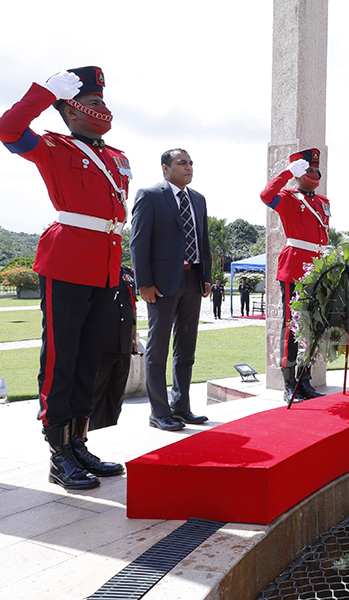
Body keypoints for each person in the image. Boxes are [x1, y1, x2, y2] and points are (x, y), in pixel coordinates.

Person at [0, 66, 128, 489]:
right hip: (67, 263)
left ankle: (79, 444)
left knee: (89, 360)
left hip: (104, 267)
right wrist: (43, 92)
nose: (102, 109)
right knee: (61, 361)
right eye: (93, 103)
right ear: (70, 112)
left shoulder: (114, 157)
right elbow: (8, 129)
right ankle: (59, 455)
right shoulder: (53, 147)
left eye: (103, 102)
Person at [130, 149, 212, 431]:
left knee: (186, 349)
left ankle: (181, 407)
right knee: (158, 349)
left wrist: (207, 277)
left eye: (191, 163)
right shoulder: (150, 196)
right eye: (182, 163)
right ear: (166, 168)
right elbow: (138, 243)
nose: (189, 167)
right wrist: (144, 283)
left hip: (193, 282)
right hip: (161, 286)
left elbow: (204, 241)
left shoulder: (198, 199)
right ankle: (159, 412)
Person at [259, 147, 329, 401]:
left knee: (313, 327)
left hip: (318, 272)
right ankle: (289, 384)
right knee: (292, 325)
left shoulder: (323, 202)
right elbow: (266, 196)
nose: (312, 173)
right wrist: (287, 172)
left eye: (314, 169)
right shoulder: (288, 197)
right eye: (307, 169)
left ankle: (304, 379)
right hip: (294, 269)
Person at [90, 263, 139, 430]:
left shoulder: (127, 273)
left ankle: (111, 429)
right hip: (102, 342)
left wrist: (134, 337)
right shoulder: (94, 268)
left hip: (123, 343)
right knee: (95, 394)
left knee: (116, 394)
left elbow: (132, 306)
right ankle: (90, 432)